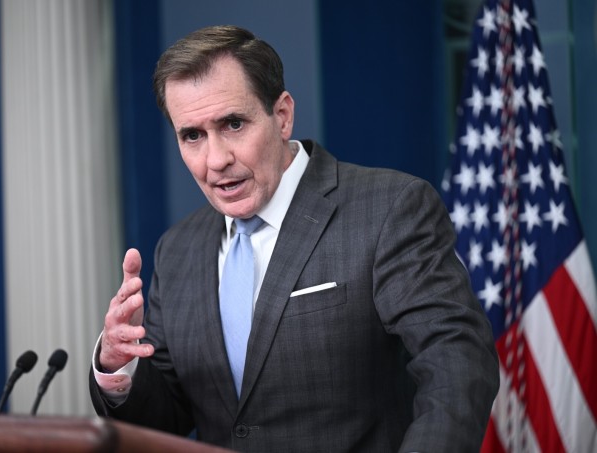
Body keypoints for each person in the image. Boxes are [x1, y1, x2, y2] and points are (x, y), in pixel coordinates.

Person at [89, 25, 499, 452]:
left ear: (282, 116)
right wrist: (118, 366)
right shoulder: (177, 249)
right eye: (192, 135)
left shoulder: (390, 208)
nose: (216, 160)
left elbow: (456, 363)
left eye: (233, 124)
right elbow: (164, 419)